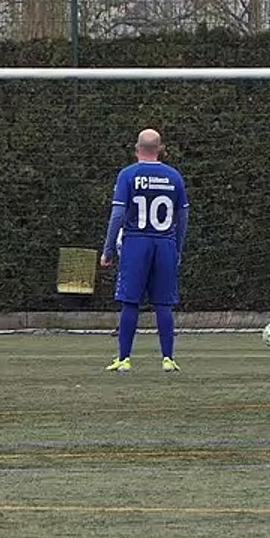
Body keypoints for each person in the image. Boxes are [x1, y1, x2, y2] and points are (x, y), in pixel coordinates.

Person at [100, 129, 188, 373]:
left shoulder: (128, 175)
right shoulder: (174, 177)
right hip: (165, 243)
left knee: (130, 301)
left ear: (137, 149)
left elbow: (117, 214)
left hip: (136, 243)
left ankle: (124, 359)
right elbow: (183, 217)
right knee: (163, 304)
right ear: (160, 149)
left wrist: (108, 249)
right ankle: (168, 359)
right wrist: (177, 248)